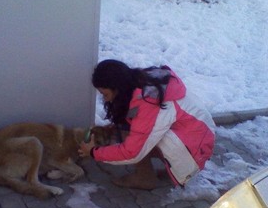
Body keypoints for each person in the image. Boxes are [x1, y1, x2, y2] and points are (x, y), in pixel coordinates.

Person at [78, 59, 215, 190]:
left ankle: (145, 178)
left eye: (104, 93)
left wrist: (93, 152)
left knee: (131, 136)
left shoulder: (149, 102)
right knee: (128, 129)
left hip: (194, 153)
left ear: (117, 88)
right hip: (197, 141)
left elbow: (132, 152)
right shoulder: (139, 82)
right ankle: (171, 167)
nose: (104, 98)